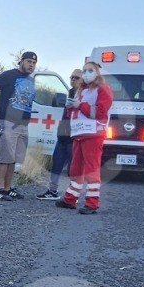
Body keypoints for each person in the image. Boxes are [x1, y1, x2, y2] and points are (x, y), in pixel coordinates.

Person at [58, 60, 113, 214]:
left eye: (90, 70)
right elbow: (75, 113)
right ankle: (70, 199)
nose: (86, 73)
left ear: (97, 73)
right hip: (79, 134)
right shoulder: (81, 90)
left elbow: (100, 112)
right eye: (84, 70)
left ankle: (92, 204)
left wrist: (79, 105)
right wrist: (70, 108)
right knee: (76, 169)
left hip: (94, 134)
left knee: (92, 170)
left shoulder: (103, 89)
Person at [0, 51, 37, 200]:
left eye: (33, 63)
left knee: (14, 158)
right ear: (21, 62)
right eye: (28, 61)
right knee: (5, 157)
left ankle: (8, 188)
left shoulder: (31, 80)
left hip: (22, 124)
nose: (31, 65)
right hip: (7, 121)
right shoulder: (8, 75)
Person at [37, 68, 81, 199]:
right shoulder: (71, 92)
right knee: (56, 162)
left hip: (75, 135)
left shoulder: (85, 95)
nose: (73, 80)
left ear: (83, 80)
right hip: (63, 134)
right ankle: (52, 191)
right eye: (71, 77)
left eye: (76, 78)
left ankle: (73, 195)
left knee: (74, 167)